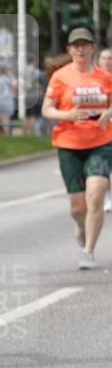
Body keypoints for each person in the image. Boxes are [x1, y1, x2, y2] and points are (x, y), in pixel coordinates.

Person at [42, 27, 112, 268]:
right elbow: (46, 109)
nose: (80, 49)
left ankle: (89, 250)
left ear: (93, 48)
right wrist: (67, 114)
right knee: (77, 207)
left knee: (97, 192)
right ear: (70, 49)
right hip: (69, 143)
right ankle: (81, 228)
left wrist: (109, 112)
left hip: (100, 142)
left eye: (85, 44)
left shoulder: (105, 77)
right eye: (75, 45)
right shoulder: (61, 77)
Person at [98, 48, 112, 212]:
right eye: (104, 58)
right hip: (100, 128)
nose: (107, 61)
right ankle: (108, 197)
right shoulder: (93, 79)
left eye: (110, 58)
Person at [0, 65, 16, 135]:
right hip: (7, 100)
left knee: (0, 118)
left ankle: (0, 133)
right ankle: (7, 134)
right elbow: (14, 85)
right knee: (6, 118)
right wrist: (11, 76)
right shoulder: (6, 79)